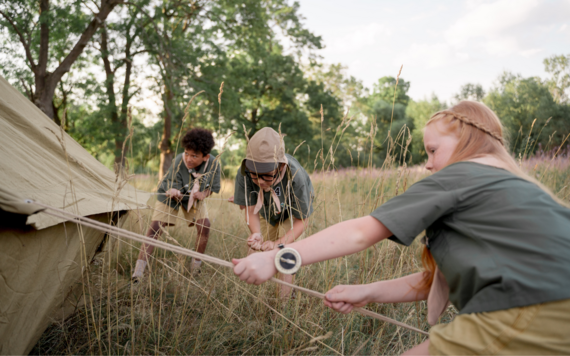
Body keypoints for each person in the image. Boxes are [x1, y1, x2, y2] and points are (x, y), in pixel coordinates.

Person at [231, 101, 570, 355]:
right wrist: (368, 292)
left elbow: (360, 232)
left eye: (433, 150)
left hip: (525, 310)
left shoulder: (460, 175)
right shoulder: (517, 190)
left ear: (468, 141)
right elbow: (431, 282)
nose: (428, 162)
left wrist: (276, 257)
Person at [231, 127, 314, 299]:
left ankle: (283, 304)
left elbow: (302, 221)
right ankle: (251, 300)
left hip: (292, 215)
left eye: (267, 176)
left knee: (283, 253)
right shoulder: (244, 173)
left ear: (281, 166)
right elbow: (249, 208)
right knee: (256, 248)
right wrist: (256, 233)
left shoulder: (296, 175)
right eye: (254, 175)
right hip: (265, 209)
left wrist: (279, 243)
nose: (260, 181)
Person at [132, 128, 221, 281]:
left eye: (194, 156)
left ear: (205, 157)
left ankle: (195, 269)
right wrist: (172, 190)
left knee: (205, 226)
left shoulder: (213, 164)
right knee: (155, 228)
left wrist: (203, 194)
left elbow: (212, 188)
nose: (189, 158)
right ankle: (138, 271)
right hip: (171, 194)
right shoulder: (180, 159)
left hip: (193, 197)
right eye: (187, 153)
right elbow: (170, 181)